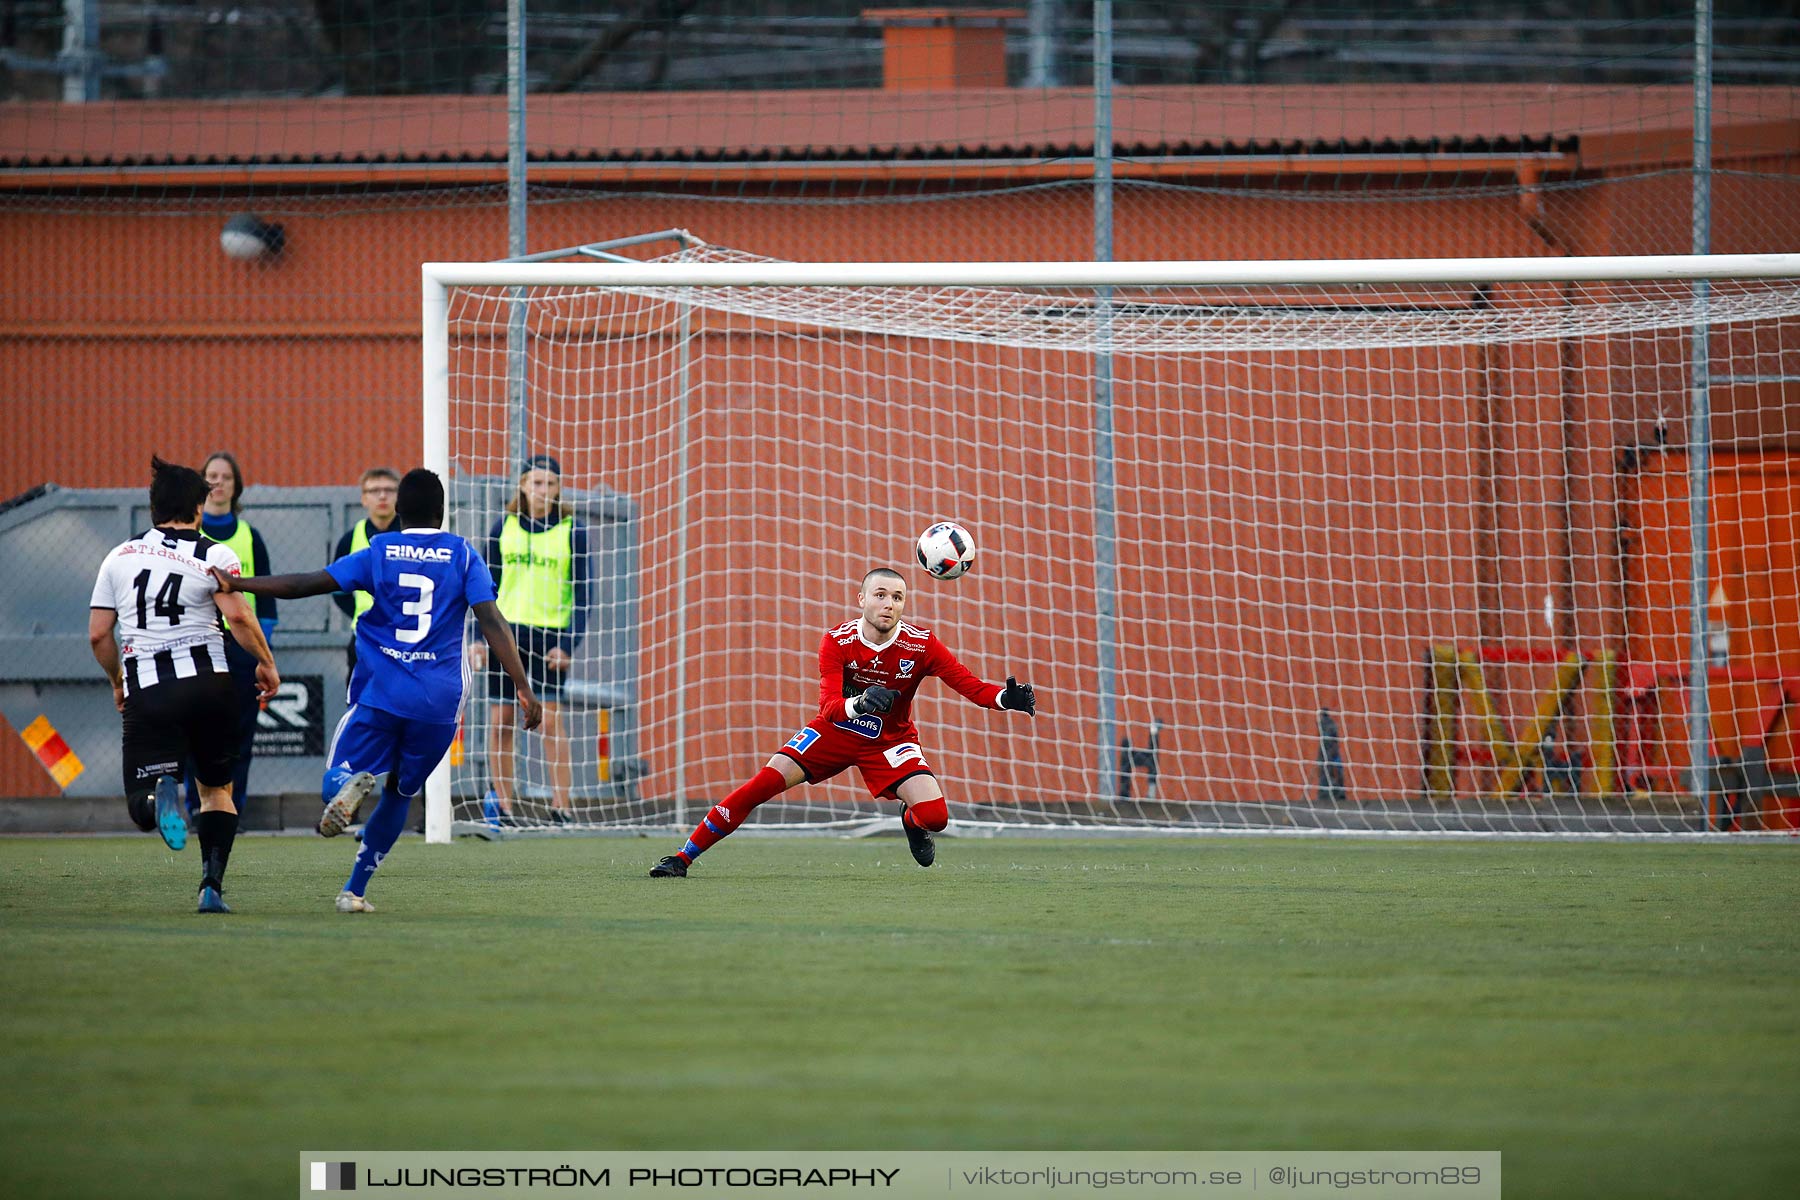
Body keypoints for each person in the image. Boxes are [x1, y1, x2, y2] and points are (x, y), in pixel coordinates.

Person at [212, 468, 542, 913]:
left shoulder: (379, 551)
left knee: (340, 776)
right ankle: (354, 890)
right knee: (401, 793)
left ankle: (347, 786)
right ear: (442, 514)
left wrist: (238, 584)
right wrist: (523, 686)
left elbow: (304, 584)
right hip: (439, 702)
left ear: (400, 512)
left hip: (382, 691)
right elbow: (492, 621)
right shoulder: (464, 555)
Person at [649, 566, 1038, 878]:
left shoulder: (921, 645)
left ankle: (910, 821)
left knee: (936, 818)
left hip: (889, 741)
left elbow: (970, 686)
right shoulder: (837, 640)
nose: (889, 604)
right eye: (881, 595)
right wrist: (862, 703)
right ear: (862, 599)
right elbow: (829, 706)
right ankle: (682, 858)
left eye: (898, 597)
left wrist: (1007, 699)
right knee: (761, 784)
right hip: (833, 732)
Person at [88, 456, 280, 913]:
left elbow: (98, 633)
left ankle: (160, 801)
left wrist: (118, 681)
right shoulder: (215, 554)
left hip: (147, 689)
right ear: (199, 506)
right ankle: (210, 885)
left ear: (152, 507)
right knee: (217, 791)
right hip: (210, 686)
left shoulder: (119, 557)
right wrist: (267, 664)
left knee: (139, 799)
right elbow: (238, 616)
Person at [471, 453, 589, 824]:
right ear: (522, 485)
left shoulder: (572, 530)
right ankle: (503, 806)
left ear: (559, 488)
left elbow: (584, 594)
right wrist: (479, 637)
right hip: (505, 636)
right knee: (501, 720)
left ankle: (561, 806)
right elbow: (483, 589)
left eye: (551, 484)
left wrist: (569, 644)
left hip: (550, 638)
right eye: (536, 483)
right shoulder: (502, 527)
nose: (543, 490)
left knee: (551, 723)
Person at [184, 450, 277, 818]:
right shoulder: (188, 536)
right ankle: (198, 808)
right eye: (211, 476)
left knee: (241, 733)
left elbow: (267, 604)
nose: (218, 483)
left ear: (236, 487)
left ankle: (234, 809)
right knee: (200, 730)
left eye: (226, 477)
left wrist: (261, 653)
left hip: (240, 646)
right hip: (200, 644)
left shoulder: (250, 536)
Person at [331, 466, 401, 674]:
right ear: (364, 498)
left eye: (389, 490)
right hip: (364, 637)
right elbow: (337, 590)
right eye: (374, 490)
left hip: (407, 639)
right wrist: (364, 615)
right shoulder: (350, 540)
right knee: (359, 700)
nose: (382, 496)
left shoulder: (411, 537)